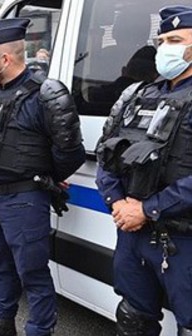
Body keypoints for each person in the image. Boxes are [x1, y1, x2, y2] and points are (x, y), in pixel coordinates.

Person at [0, 18, 86, 336]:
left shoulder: (43, 95)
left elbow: (70, 151)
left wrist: (43, 177)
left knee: (32, 273)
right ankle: (2, 323)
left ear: (5, 59)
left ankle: (39, 330)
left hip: (23, 199)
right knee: (0, 267)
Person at [95, 5, 192, 335]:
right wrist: (118, 203)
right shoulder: (136, 95)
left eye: (175, 39)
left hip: (183, 238)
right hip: (133, 234)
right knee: (133, 317)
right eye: (162, 40)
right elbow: (106, 155)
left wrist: (148, 209)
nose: (164, 48)